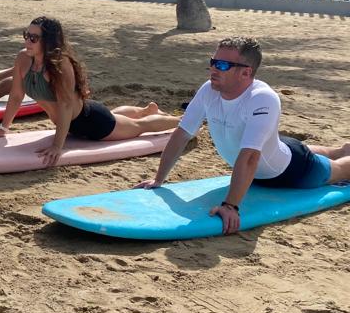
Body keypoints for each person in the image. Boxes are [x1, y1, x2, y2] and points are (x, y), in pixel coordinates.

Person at [137, 36, 350, 234]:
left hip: (292, 171)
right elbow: (181, 134)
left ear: (246, 73)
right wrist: (159, 179)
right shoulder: (209, 90)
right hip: (273, 147)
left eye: (222, 65)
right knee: (297, 149)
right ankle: (341, 149)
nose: (213, 69)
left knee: (339, 169)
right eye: (213, 61)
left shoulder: (263, 99)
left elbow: (250, 157)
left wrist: (230, 206)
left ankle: (342, 155)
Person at [0, 16, 181, 166]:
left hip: (91, 123)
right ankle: (145, 110)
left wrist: (57, 146)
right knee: (123, 120)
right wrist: (3, 129)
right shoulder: (23, 58)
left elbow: (65, 105)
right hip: (70, 125)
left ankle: (182, 122)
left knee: (139, 127)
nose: (27, 41)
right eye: (26, 35)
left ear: (48, 41)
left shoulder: (60, 64)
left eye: (34, 38)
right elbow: (15, 96)